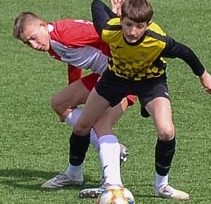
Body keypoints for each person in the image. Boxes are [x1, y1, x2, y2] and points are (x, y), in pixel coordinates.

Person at [67, 0, 211, 201]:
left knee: (167, 131)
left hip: (151, 82)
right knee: (82, 126)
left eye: (140, 26)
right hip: (116, 79)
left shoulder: (157, 40)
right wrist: (114, 14)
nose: (133, 31)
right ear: (122, 20)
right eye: (128, 24)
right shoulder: (110, 30)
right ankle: (73, 174)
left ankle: (162, 186)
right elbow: (95, 4)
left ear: (148, 24)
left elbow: (185, 52)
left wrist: (203, 75)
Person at [13, 12, 135, 192]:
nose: (33, 45)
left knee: (100, 123)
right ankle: (79, 172)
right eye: (27, 43)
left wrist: (117, 20)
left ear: (42, 25)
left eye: (33, 38)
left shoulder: (67, 33)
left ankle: (112, 183)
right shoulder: (52, 42)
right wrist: (75, 94)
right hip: (105, 74)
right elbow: (74, 57)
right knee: (60, 104)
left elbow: (107, 35)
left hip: (125, 74)